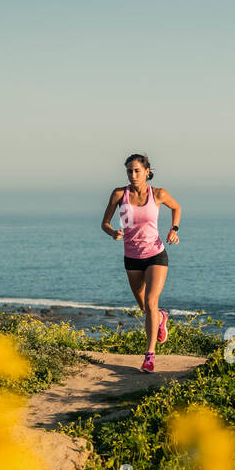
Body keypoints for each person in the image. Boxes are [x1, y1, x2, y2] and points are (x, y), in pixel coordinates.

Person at [100, 153, 181, 372]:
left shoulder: (158, 194)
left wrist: (174, 229)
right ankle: (162, 317)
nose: (133, 175)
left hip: (156, 254)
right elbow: (104, 223)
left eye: (137, 170)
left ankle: (149, 356)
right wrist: (112, 233)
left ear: (147, 171)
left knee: (151, 300)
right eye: (129, 171)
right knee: (144, 307)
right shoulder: (119, 194)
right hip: (132, 257)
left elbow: (176, 208)